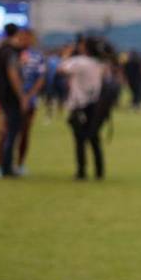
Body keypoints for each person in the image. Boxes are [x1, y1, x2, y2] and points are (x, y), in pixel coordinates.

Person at [58, 38, 105, 180]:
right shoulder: (98, 63)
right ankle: (99, 171)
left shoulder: (79, 62)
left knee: (79, 140)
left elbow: (61, 69)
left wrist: (67, 54)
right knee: (94, 138)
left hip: (79, 104)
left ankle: (81, 171)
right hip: (95, 103)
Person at [0, 24, 31, 177]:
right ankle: (7, 167)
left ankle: (3, 165)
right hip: (11, 97)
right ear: (17, 34)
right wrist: (22, 96)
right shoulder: (11, 53)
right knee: (12, 132)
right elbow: (13, 74)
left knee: (5, 131)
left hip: (0, 95)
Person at [15, 35, 46, 175]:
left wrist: (29, 96)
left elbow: (41, 78)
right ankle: (5, 163)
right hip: (12, 99)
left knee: (25, 132)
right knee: (7, 133)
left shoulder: (37, 57)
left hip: (30, 100)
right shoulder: (12, 54)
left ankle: (20, 164)